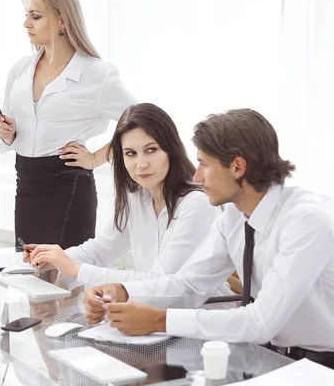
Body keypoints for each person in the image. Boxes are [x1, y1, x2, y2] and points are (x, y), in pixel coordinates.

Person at [84, 109, 334, 368]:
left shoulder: (306, 220)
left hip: (322, 366)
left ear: (237, 167)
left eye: (204, 164)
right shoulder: (234, 217)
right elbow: (189, 285)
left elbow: (261, 321)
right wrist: (122, 291)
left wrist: (160, 320)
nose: (196, 177)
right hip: (269, 358)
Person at [23, 104, 231, 298]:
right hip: (154, 316)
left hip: (203, 322)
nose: (141, 164)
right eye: (130, 154)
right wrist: (54, 257)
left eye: (151, 150)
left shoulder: (197, 203)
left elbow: (160, 282)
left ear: (171, 149)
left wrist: (74, 268)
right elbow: (97, 252)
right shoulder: (136, 199)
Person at [0, 0, 138, 249]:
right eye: (26, 15)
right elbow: (14, 126)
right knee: (30, 276)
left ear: (62, 20)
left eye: (35, 16)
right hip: (25, 183)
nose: (26, 23)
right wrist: (8, 131)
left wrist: (96, 158)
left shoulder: (96, 74)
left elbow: (141, 121)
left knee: (63, 280)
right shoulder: (20, 70)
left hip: (67, 186)